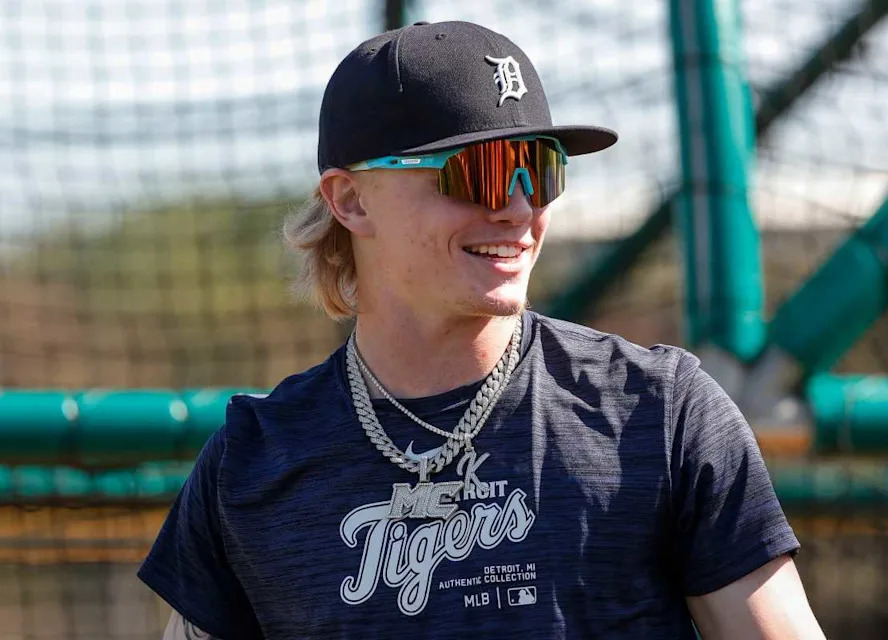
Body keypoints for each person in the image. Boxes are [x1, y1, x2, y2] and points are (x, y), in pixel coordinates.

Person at [139, 20, 826, 640]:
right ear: (350, 200)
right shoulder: (252, 461)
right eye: (484, 174)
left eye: (540, 170)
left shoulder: (661, 413)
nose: (521, 209)